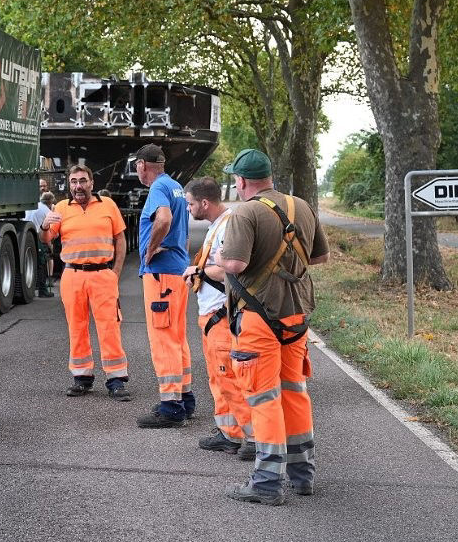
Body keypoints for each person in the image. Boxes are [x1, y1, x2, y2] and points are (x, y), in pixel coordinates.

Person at [216, 149, 329, 505]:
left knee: (263, 397)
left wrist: (219, 257)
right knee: (294, 392)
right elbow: (321, 256)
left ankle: (266, 483)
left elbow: (234, 264)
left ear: (241, 181)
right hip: (296, 317)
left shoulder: (245, 212)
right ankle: (302, 475)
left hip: (258, 318)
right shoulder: (302, 207)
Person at [39, 165, 131, 401]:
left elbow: (120, 239)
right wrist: (45, 225)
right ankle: (82, 378)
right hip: (73, 275)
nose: (78, 186)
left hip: (102, 275)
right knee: (76, 328)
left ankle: (116, 380)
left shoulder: (107, 205)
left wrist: (116, 272)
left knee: (109, 327)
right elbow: (46, 239)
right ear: (69, 184)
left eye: (82, 181)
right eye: (73, 181)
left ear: (91, 183)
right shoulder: (61, 208)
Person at [181, 177, 254, 460]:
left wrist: (200, 272)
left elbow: (232, 269)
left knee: (230, 379)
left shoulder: (228, 227)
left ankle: (254, 438)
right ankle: (229, 433)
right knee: (219, 379)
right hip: (211, 315)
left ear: (204, 203)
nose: (188, 209)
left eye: (190, 204)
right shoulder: (219, 225)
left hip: (221, 315)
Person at [133, 143, 194, 428]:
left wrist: (149, 251)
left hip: (161, 275)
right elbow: (184, 232)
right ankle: (184, 398)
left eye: (136, 166)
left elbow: (165, 219)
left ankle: (171, 407)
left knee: (163, 339)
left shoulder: (158, 188)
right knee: (178, 337)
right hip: (177, 272)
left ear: (142, 165)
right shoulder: (176, 187)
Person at [26, 190, 56, 297]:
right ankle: (43, 291)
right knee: (42, 263)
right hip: (37, 237)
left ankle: (34, 286)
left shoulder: (34, 205)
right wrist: (50, 246)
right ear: (50, 202)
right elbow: (48, 232)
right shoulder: (47, 212)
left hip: (27, 234)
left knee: (32, 262)